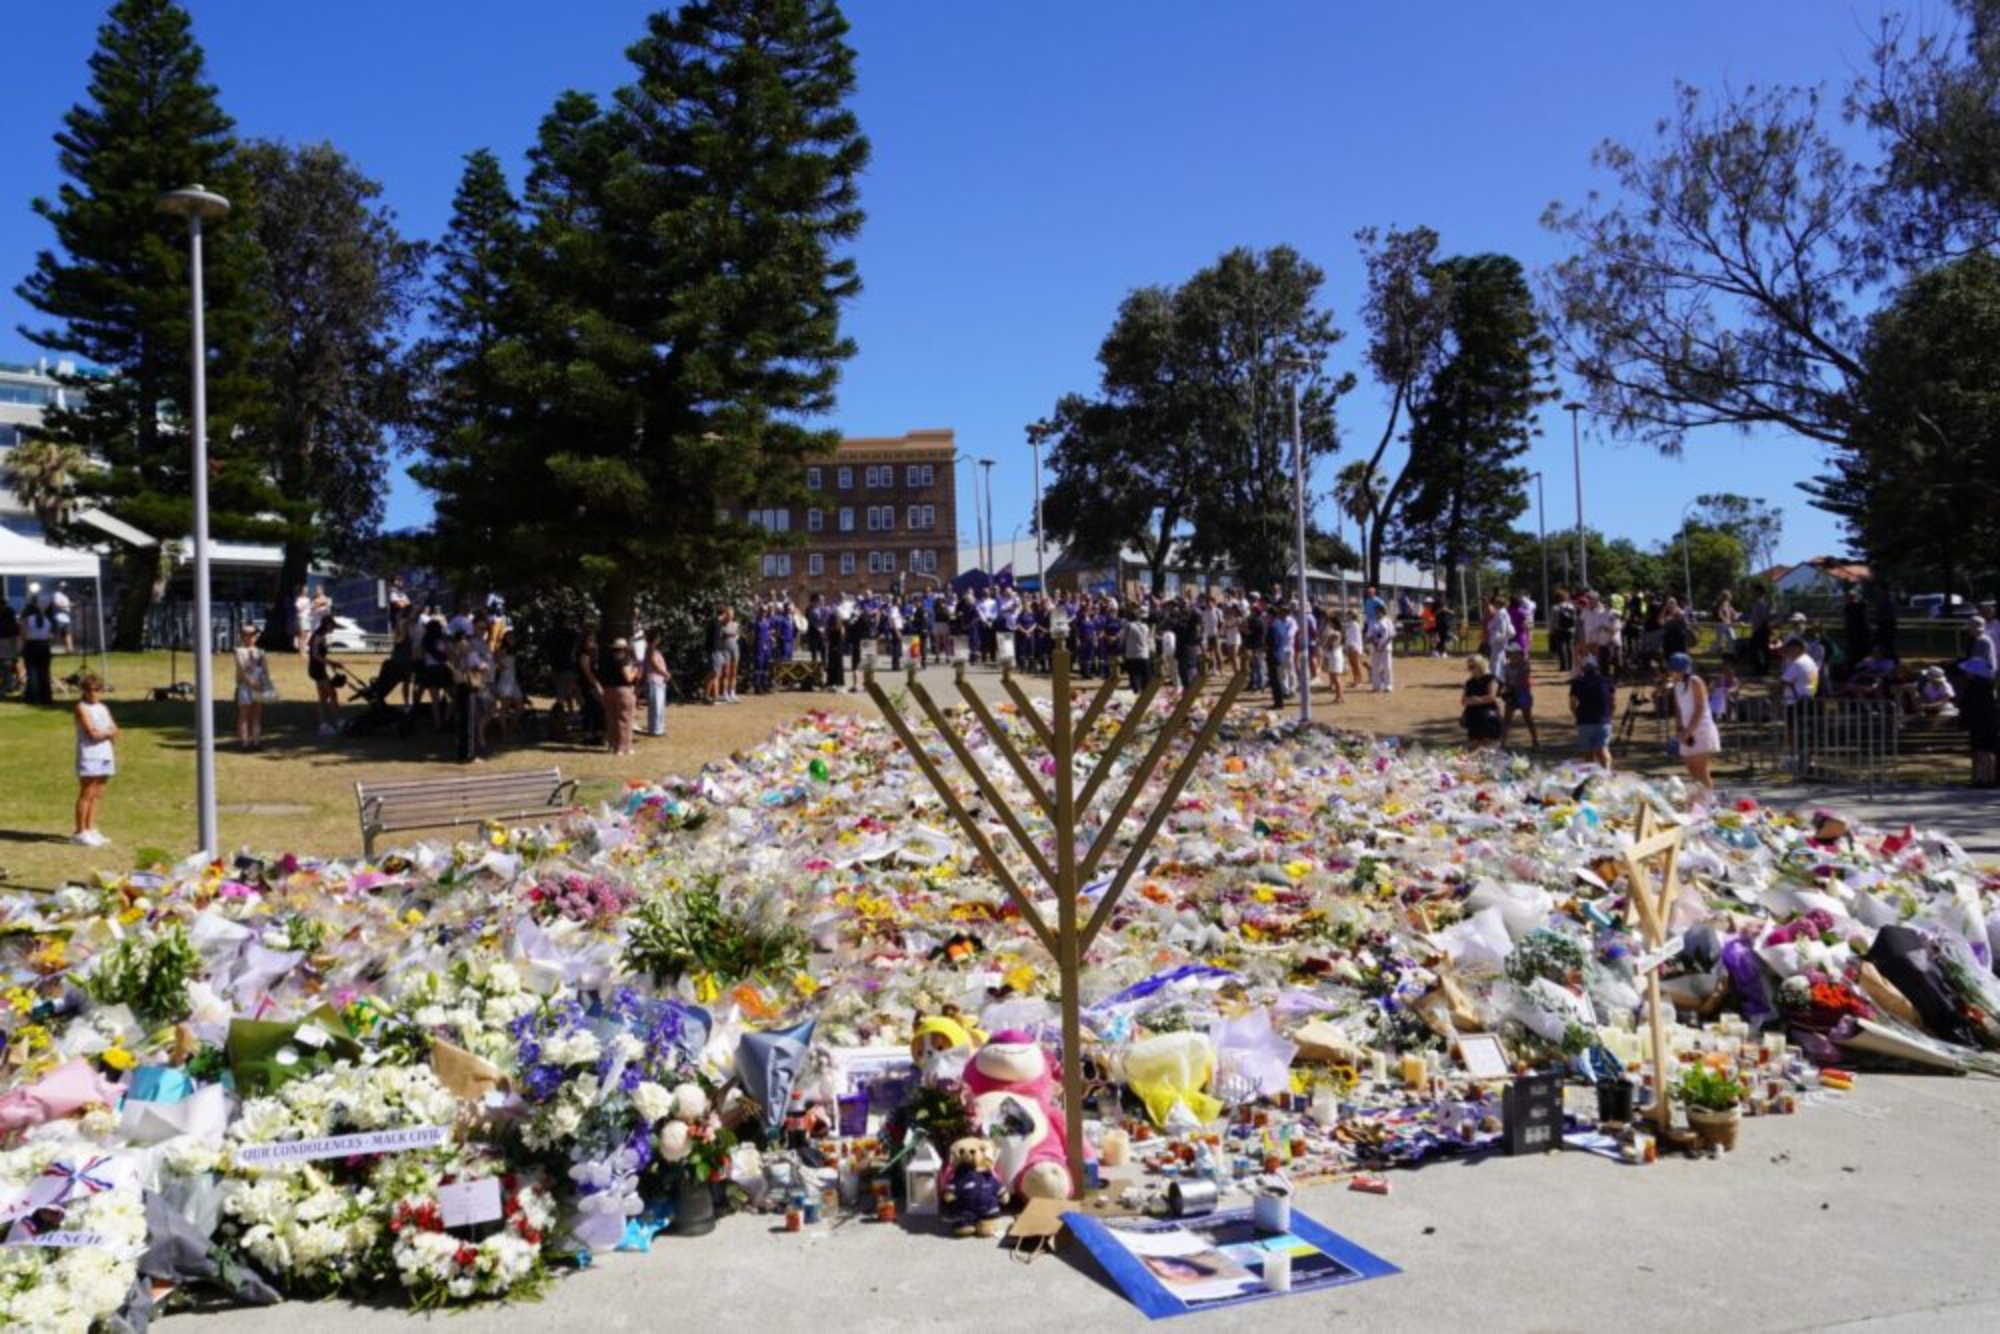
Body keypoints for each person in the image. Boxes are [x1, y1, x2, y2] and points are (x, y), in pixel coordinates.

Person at [1663, 652, 1720, 797]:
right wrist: (1680, 729)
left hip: (1701, 729)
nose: (1671, 672)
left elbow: (1700, 707)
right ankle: (1699, 800)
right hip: (1686, 730)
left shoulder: (1695, 681)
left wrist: (1689, 730)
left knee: (1701, 770)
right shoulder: (1677, 686)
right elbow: (1679, 709)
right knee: (1692, 770)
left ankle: (1709, 801)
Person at [72, 672, 116, 846]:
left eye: (97, 690)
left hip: (105, 754)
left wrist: (105, 733)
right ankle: (80, 832)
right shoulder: (81, 707)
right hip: (89, 755)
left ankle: (90, 828)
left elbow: (115, 730)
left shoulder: (103, 708)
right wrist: (107, 733)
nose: (94, 693)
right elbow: (92, 733)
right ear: (84, 691)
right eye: (90, 690)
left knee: (97, 794)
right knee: (87, 793)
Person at [449, 627, 493, 763]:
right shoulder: (469, 654)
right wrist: (484, 665)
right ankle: (470, 756)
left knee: (463, 722)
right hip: (469, 688)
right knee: (470, 723)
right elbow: (482, 667)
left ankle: (463, 753)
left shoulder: (454, 654)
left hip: (460, 687)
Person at [1569, 655, 1616, 771]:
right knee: (1603, 750)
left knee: (1588, 754)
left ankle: (1591, 776)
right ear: (1597, 668)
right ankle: (1607, 772)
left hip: (1584, 721)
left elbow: (1572, 703)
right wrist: (1610, 715)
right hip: (1603, 720)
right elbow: (1613, 701)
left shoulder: (1577, 682)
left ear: (1583, 668)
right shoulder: (1606, 681)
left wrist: (1577, 715)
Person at [1957, 657, 1998, 787]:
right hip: (1988, 722)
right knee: (1985, 751)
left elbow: (1970, 706)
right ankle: (1985, 778)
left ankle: (1984, 779)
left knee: (1982, 751)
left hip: (1981, 723)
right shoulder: (1987, 685)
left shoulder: (1977, 686)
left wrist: (1964, 720)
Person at [232, 624, 270, 752]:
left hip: (259, 684)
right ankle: (245, 742)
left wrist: (264, 683)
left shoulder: (260, 652)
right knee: (244, 713)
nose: (249, 638)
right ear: (241, 636)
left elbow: (265, 669)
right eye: (246, 635)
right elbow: (241, 668)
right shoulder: (239, 651)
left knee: (257, 713)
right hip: (245, 685)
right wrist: (250, 682)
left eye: (252, 635)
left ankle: (256, 741)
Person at [308, 616, 347, 736]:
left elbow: (321, 656)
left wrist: (332, 665)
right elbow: (315, 655)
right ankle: (339, 722)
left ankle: (323, 725)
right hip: (316, 670)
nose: (333, 629)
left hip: (319, 669)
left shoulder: (322, 636)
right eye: (332, 626)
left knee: (323, 697)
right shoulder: (318, 636)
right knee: (332, 693)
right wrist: (331, 663)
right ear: (327, 625)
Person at [601, 637, 639, 757]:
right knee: (625, 719)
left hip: (608, 690)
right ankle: (623, 747)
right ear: (624, 649)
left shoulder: (606, 661)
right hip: (623, 691)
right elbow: (628, 678)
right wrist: (635, 671)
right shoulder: (623, 660)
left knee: (611, 718)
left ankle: (612, 745)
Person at [1461, 654, 1503, 751]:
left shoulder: (1491, 679)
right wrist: (1475, 700)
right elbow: (1464, 700)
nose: (1470, 669)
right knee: (1473, 747)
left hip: (1489, 716)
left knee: (1489, 747)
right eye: (1469, 666)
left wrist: (1475, 700)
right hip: (1473, 716)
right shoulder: (1469, 682)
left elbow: (1491, 697)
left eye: (1472, 666)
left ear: (1480, 665)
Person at [1500, 644, 1538, 749]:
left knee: (1527, 718)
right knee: (1506, 719)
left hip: (1523, 694)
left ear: (1519, 653)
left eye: (1513, 653)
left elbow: (1522, 678)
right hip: (1511, 694)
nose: (1511, 655)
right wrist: (1504, 690)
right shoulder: (1506, 666)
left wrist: (1510, 687)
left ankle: (1535, 741)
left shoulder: (1525, 664)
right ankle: (1502, 743)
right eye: (1509, 653)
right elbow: (1506, 680)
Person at [20, 596, 55, 704]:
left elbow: (24, 635)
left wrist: (22, 647)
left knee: (32, 672)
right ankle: (46, 697)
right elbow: (51, 635)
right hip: (44, 646)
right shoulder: (47, 619)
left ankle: (33, 697)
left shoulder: (26, 619)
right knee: (44, 672)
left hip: (32, 645)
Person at [644, 629, 671, 737]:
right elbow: (654, 664)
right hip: (653, 681)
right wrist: (665, 673)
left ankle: (659, 728)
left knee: (660, 706)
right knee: (655, 707)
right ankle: (655, 729)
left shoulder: (654, 650)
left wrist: (664, 675)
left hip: (659, 681)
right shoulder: (650, 650)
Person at [1120, 606, 1154, 693]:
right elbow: (1149, 640)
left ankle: (1136, 692)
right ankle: (1145, 694)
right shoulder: (1146, 627)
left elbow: (1122, 638)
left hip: (1132, 654)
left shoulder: (1129, 626)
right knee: (1145, 676)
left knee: (1134, 675)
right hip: (1144, 654)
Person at [1366, 607, 1395, 693]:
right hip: (1375, 648)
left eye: (1379, 612)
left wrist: (1384, 645)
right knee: (1375, 667)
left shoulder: (1388, 621)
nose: (1377, 613)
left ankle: (1388, 685)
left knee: (1387, 667)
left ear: (1383, 612)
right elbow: (1369, 635)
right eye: (1376, 612)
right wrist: (1375, 644)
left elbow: (1391, 635)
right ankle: (1376, 685)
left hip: (1386, 647)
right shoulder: (1372, 622)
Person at [1550, 588, 1576, 673]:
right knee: (1570, 646)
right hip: (1570, 629)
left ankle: (1563, 666)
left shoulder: (1555, 607)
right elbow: (1574, 618)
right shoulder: (1571, 606)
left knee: (1561, 647)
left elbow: (1553, 620)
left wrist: (1551, 630)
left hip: (1559, 629)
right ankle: (1571, 666)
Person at [0, 598, 20, 695]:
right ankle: (13, 684)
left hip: (5, 640)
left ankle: (7, 686)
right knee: (10, 664)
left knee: (6, 665)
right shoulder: (11, 611)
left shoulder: (5, 612)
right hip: (11, 639)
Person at [50, 582, 74, 654]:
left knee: (68, 633)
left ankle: (69, 650)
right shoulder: (57, 594)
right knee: (54, 634)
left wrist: (72, 605)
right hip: (59, 617)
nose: (65, 588)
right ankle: (45, 648)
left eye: (66, 587)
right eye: (64, 587)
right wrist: (69, 605)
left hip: (67, 618)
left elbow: (67, 606)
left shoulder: (66, 596)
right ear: (60, 587)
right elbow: (57, 604)